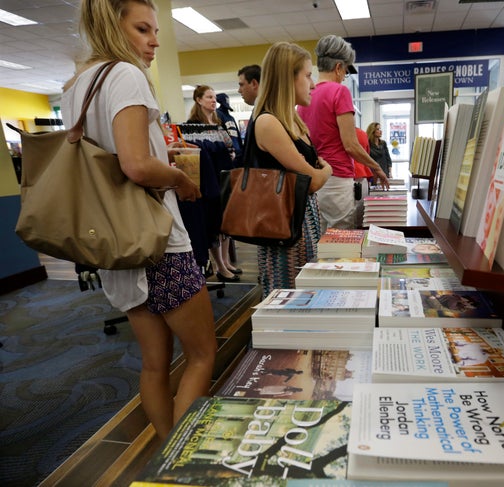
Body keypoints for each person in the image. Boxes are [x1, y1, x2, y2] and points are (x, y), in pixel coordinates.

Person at [62, 0, 216, 440]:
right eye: (143, 29)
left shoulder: (77, 85)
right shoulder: (126, 75)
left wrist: (154, 155)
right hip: (156, 239)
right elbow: (134, 165)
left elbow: (111, 157)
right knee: (203, 354)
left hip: (113, 241)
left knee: (153, 362)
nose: (154, 42)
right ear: (113, 25)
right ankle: (180, 459)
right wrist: (179, 180)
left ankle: (166, 455)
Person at [250, 41, 333, 297]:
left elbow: (310, 173)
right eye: (308, 75)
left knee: (307, 292)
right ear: (288, 78)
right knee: (288, 296)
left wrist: (319, 170)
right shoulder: (267, 122)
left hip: (303, 220)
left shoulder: (292, 120)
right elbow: (313, 179)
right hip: (284, 228)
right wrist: (326, 170)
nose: (313, 84)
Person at [297, 34, 389, 233]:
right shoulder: (339, 92)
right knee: (341, 240)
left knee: (318, 239)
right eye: (346, 71)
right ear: (338, 67)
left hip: (314, 179)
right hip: (337, 178)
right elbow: (351, 145)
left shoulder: (306, 96)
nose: (345, 76)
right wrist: (376, 167)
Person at [187, 85, 241, 282]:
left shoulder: (219, 123)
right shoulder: (191, 127)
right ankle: (219, 264)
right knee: (213, 224)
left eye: (213, 97)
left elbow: (230, 147)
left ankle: (226, 261)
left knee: (226, 224)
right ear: (199, 100)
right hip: (209, 182)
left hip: (224, 179)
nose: (213, 100)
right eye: (209, 97)